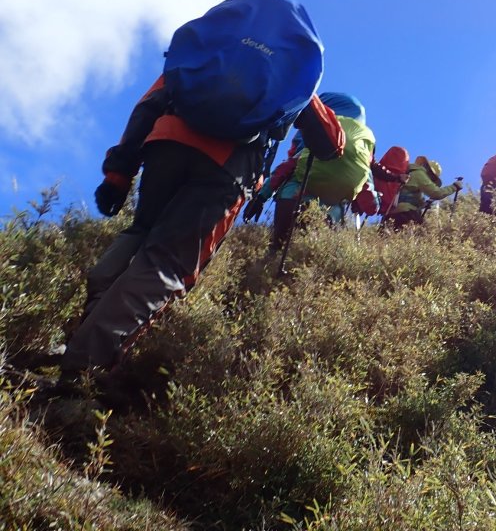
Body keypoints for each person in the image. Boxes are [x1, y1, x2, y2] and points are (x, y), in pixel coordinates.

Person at [56, 65, 343, 391]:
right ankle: (83, 370)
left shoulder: (205, 47)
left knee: (140, 233)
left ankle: (84, 338)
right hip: (228, 165)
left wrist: (118, 173)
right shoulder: (288, 64)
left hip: (167, 143)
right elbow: (331, 143)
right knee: (165, 265)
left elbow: (149, 103)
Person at [245, 92, 375, 247]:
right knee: (312, 255)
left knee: (278, 247)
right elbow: (370, 201)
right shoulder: (362, 146)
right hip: (330, 214)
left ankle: (272, 256)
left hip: (294, 198)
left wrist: (261, 197)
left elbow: (287, 167)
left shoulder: (317, 134)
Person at [383, 155, 462, 230]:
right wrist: (454, 187)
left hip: (390, 214)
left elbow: (408, 195)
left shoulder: (410, 172)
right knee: (419, 233)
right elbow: (436, 193)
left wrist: (423, 204)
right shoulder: (419, 174)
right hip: (406, 214)